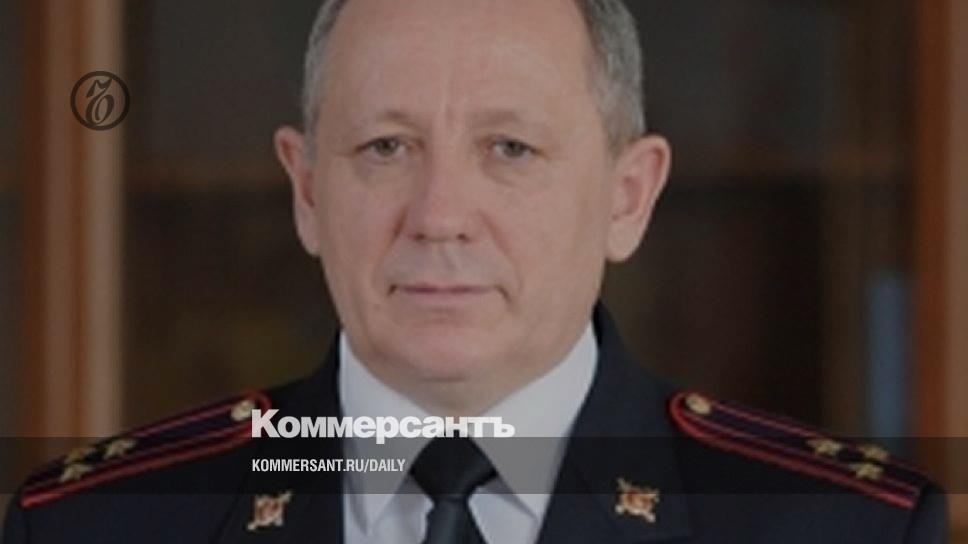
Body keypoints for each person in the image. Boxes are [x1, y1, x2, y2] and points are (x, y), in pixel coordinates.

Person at [4, 0, 948, 542]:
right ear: (307, 191)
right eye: (385, 147)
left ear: (628, 197)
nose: (440, 215)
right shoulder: (96, 525)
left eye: (509, 148)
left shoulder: (840, 528)